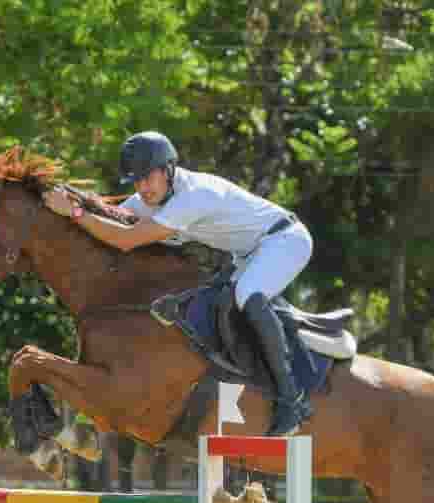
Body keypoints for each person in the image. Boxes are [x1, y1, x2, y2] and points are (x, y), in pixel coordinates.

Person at [40, 131, 315, 436]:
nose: (142, 188)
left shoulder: (194, 195)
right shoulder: (154, 197)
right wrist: (76, 200)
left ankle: (293, 400)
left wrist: (75, 213)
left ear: (168, 170)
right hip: (248, 253)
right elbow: (117, 216)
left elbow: (126, 239)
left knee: (246, 294)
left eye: (148, 178)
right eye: (136, 180)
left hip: (285, 239)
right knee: (220, 306)